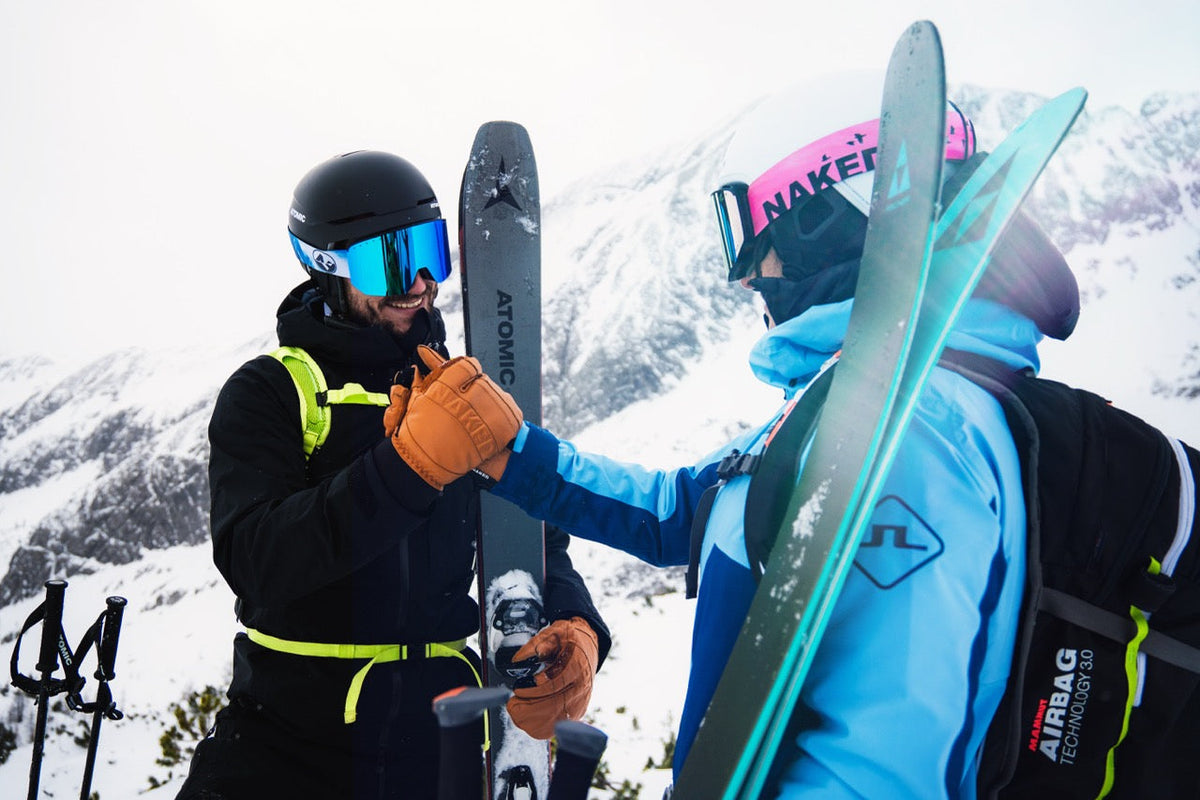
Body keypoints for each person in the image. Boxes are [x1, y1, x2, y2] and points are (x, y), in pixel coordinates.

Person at [392, 72, 1081, 797]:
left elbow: (882, 769)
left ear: (828, 218)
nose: (748, 277)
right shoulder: (842, 414)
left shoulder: (915, 435)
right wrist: (512, 455)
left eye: (753, 240)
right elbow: (681, 509)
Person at [175, 150, 610, 800]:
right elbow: (255, 555)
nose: (421, 282)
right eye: (391, 260)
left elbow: (531, 538)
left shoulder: (461, 390)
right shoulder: (274, 391)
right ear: (328, 265)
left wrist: (578, 626)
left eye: (431, 250)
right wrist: (407, 469)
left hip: (439, 744)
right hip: (286, 746)